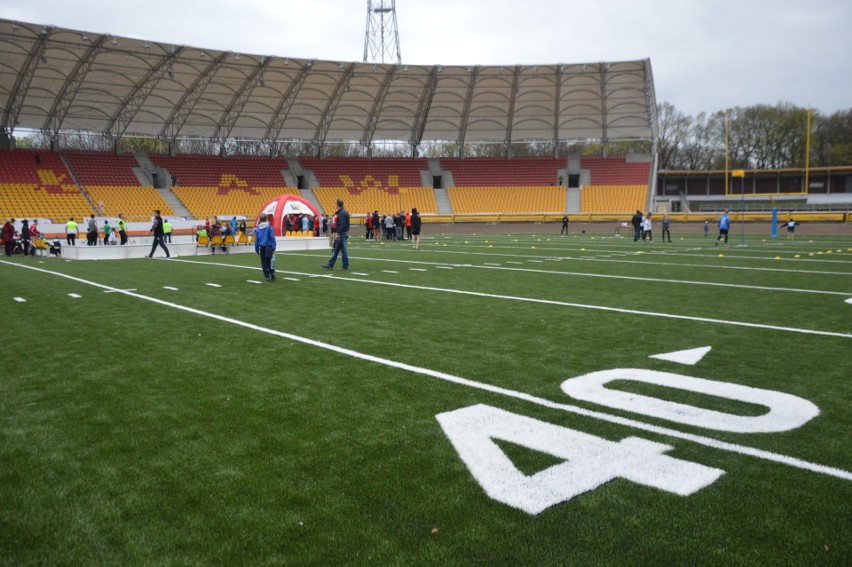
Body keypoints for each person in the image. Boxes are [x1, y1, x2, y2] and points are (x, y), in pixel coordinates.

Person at [322, 198, 350, 271]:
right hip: (343, 233)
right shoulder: (343, 212)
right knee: (336, 249)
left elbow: (342, 224)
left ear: (337, 205)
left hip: (342, 234)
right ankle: (330, 264)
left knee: (343, 250)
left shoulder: (342, 213)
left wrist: (337, 234)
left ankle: (345, 266)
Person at [254, 213, 277, 282]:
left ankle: (267, 277)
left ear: (260, 219)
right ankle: (272, 273)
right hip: (269, 247)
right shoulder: (270, 228)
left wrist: (257, 250)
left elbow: (257, 241)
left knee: (264, 263)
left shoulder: (257, 229)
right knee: (270, 261)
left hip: (262, 247)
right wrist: (274, 248)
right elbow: (272, 238)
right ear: (266, 219)